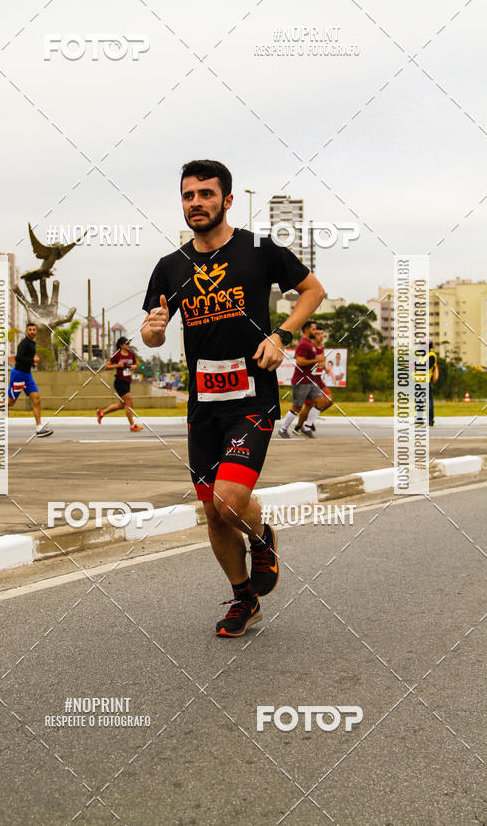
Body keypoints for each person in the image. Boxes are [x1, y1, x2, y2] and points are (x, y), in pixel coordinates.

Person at [141, 159, 324, 637]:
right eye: (188, 196)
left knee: (228, 500)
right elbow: (152, 333)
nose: (196, 203)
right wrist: (154, 330)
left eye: (205, 194)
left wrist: (282, 334)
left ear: (227, 198)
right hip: (202, 407)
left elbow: (312, 290)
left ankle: (261, 539)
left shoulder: (259, 249)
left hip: (251, 397)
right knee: (213, 513)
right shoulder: (170, 267)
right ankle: (245, 599)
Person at [278, 320, 324, 439]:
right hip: (301, 381)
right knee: (297, 407)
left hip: (310, 380)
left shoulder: (310, 344)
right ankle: (283, 429)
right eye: (313, 329)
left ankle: (307, 427)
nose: (316, 331)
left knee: (320, 402)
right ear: (307, 330)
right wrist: (316, 361)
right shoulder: (304, 343)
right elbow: (300, 361)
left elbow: (301, 357)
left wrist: (317, 364)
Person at [7, 323, 53, 437]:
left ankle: (39, 428)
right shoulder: (24, 343)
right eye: (30, 330)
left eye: (34, 330)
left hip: (27, 376)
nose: (32, 332)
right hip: (19, 375)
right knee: (10, 402)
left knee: (36, 399)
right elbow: (18, 358)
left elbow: (26, 360)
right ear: (26, 331)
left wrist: (32, 362)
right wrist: (32, 359)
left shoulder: (32, 343)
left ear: (36, 331)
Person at [96, 337, 143, 431]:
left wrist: (134, 366)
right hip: (119, 381)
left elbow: (135, 364)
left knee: (121, 405)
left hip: (127, 381)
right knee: (129, 402)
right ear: (121, 345)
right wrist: (117, 365)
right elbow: (106, 366)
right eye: (127, 343)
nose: (129, 345)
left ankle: (102, 413)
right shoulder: (117, 355)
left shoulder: (131, 354)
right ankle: (132, 425)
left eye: (129, 343)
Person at [293, 326, 333, 434]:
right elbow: (300, 359)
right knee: (309, 405)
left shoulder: (321, 348)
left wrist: (326, 368)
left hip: (318, 379)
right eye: (318, 334)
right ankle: (299, 426)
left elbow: (321, 362)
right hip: (310, 380)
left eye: (322, 334)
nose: (321, 337)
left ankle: (310, 420)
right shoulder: (310, 347)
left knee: (329, 400)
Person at [428, 341, 438, 427]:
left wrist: (414, 365)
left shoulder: (431, 355)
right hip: (418, 381)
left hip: (426, 381)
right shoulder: (422, 355)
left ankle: (430, 420)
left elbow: (426, 366)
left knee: (429, 402)